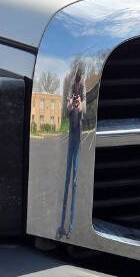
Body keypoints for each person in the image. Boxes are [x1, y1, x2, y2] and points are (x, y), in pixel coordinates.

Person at [57, 67, 86, 237]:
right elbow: (66, 110)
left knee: (74, 182)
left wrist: (80, 106)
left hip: (78, 139)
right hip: (70, 138)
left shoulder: (83, 93)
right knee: (67, 181)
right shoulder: (70, 91)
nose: (76, 91)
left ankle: (71, 227)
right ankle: (62, 226)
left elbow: (84, 111)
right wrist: (69, 105)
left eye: (78, 84)